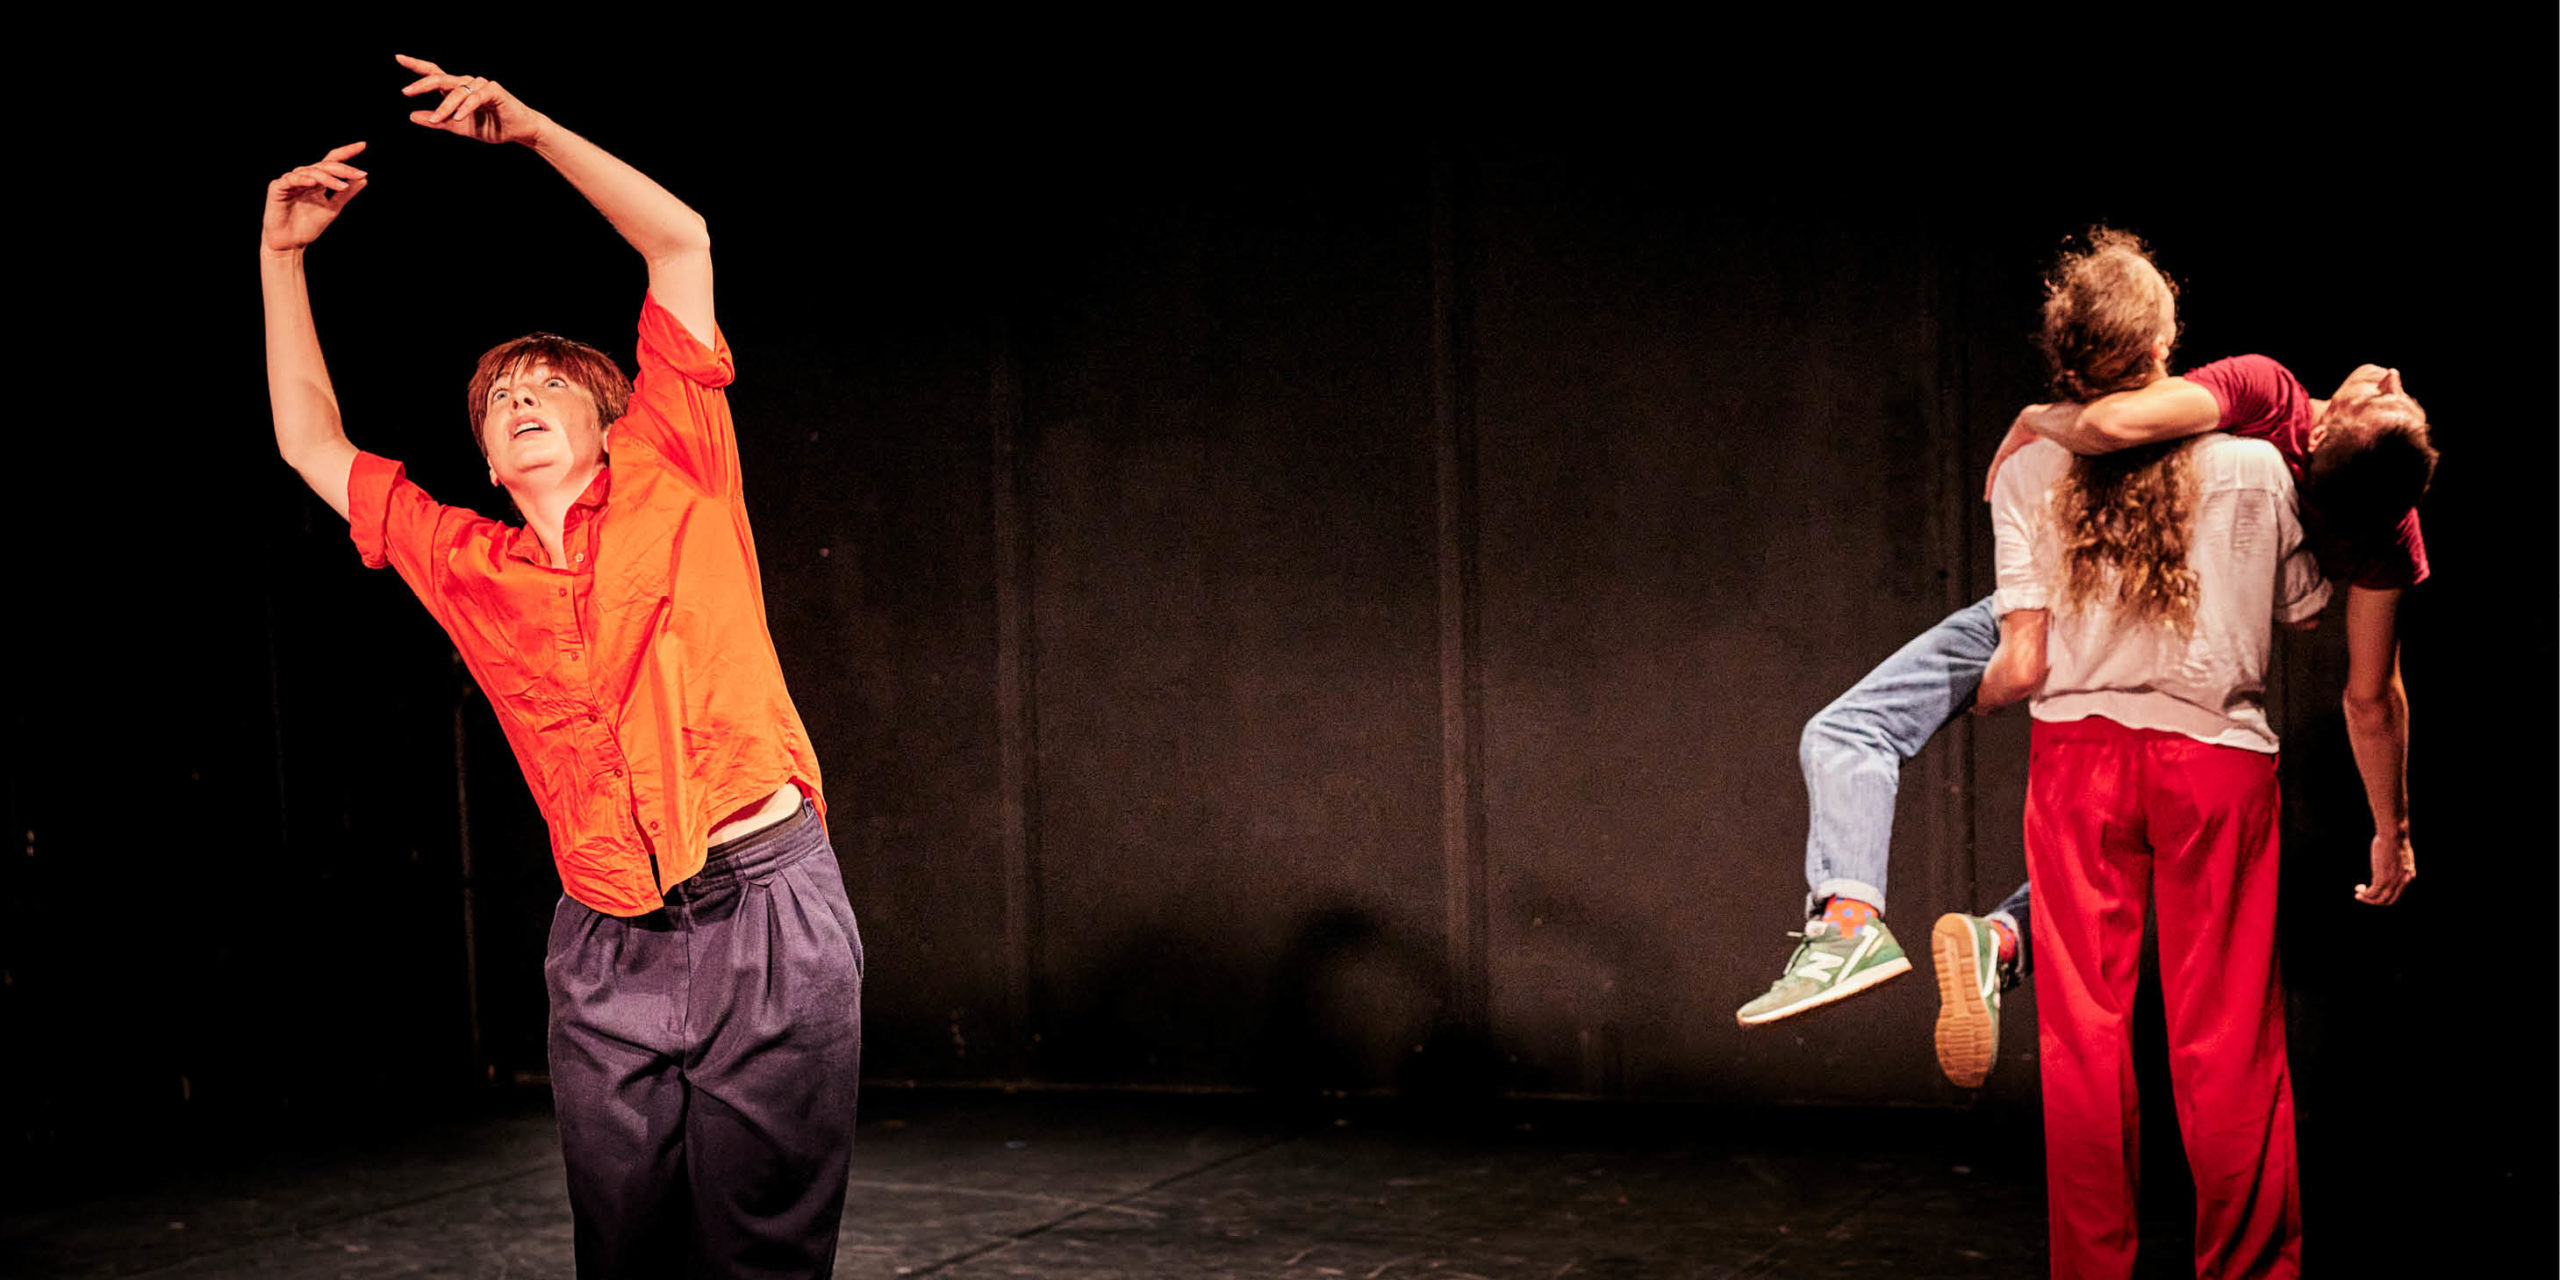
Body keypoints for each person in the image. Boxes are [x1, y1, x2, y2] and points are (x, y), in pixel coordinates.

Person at [260, 56, 861, 1278]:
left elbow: (679, 243)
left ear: (607, 416)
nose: (522, 400)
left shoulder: (674, 461)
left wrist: (532, 130)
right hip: (606, 937)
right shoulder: (464, 560)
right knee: (624, 1249)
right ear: (487, 457)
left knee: (763, 1255)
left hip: (763, 907)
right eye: (500, 399)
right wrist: (282, 259)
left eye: (549, 386)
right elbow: (310, 441)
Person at [1736, 230, 2437, 1093]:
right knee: (2128, 859)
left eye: (2388, 395)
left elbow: (2105, 431)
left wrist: (2035, 419)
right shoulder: (2373, 522)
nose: (2390, 375)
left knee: (1851, 731)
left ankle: (1848, 921)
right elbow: (2367, 692)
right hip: (2179, 644)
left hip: (2075, 602)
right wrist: (2392, 831)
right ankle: (2005, 940)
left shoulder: (2269, 400)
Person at [1985, 413, 2330, 1276]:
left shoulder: (2030, 469)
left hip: (2078, 761)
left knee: (2084, 1040)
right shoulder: (2253, 465)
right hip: (2213, 762)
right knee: (2230, 1036)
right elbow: (2306, 606)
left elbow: (2021, 662)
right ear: (2165, 355)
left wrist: (1958, 696)